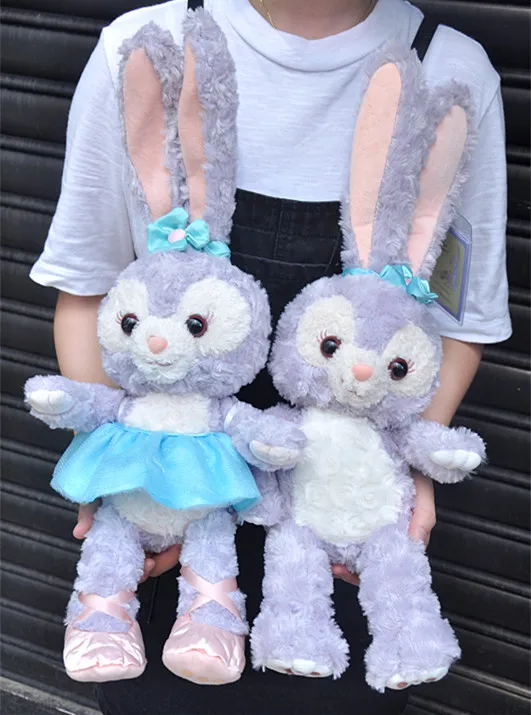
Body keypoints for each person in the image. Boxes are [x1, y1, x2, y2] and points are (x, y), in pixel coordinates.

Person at [29, 0, 511, 713]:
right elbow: (85, 286)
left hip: (338, 518)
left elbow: (455, 320)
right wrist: (116, 469)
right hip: (175, 498)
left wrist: (403, 477)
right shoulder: (146, 48)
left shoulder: (449, 71)